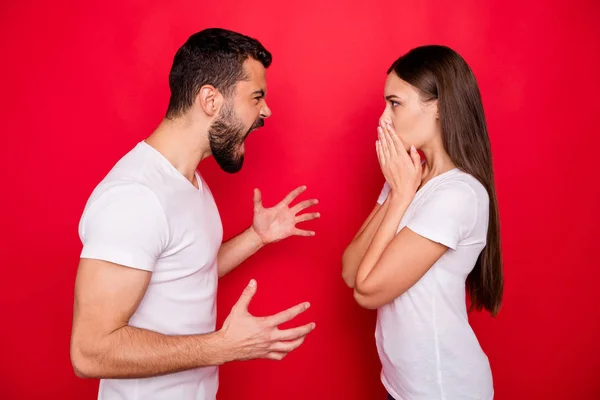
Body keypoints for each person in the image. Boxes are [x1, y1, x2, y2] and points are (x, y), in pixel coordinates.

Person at [69, 28, 320, 400]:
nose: (266, 110)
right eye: (256, 96)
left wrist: (256, 236)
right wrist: (224, 346)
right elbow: (89, 351)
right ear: (210, 100)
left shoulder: (189, 181)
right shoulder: (136, 197)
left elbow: (187, 271)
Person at [341, 45, 503, 400]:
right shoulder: (410, 176)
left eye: (394, 103)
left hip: (443, 388)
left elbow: (366, 292)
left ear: (439, 108)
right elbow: (350, 270)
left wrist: (400, 196)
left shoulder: (458, 194)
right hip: (400, 384)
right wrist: (399, 191)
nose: (384, 118)